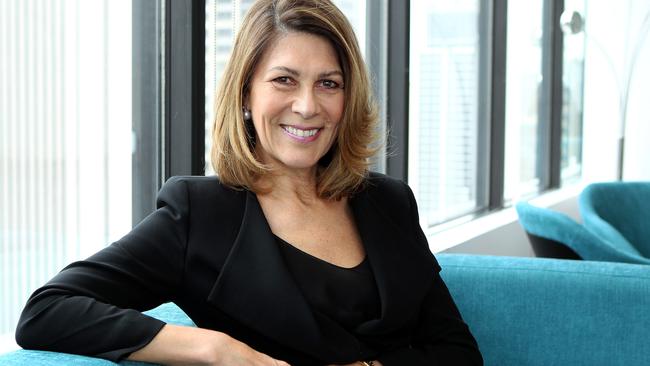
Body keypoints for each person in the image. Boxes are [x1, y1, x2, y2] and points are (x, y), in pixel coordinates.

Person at [15, 0, 482, 365]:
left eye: (329, 84)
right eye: (284, 80)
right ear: (245, 92)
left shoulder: (389, 201)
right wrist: (212, 349)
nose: (306, 106)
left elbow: (459, 351)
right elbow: (48, 309)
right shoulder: (198, 215)